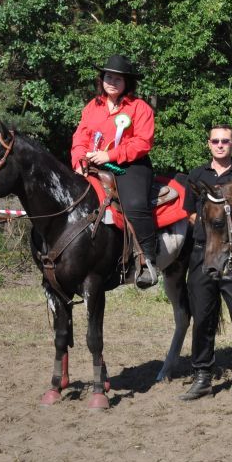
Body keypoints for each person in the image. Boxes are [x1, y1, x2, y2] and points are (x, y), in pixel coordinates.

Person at [179, 125, 232, 402]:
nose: (220, 145)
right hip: (202, 254)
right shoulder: (197, 175)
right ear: (209, 144)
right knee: (201, 317)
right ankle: (202, 376)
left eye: (225, 141)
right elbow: (188, 213)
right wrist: (208, 229)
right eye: (216, 141)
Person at [70, 54, 158, 288]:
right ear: (102, 79)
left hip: (131, 165)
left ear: (127, 83)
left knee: (136, 204)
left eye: (118, 79)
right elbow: (81, 137)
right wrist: (79, 160)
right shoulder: (92, 106)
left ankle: (148, 260)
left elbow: (142, 142)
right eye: (108, 76)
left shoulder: (140, 108)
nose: (112, 82)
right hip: (91, 163)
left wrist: (110, 155)